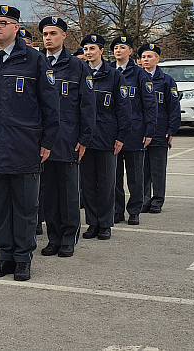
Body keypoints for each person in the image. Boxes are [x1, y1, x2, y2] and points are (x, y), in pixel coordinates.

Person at [0, 5, 60, 282]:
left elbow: (51, 105)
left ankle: (22, 258)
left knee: (25, 208)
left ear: (16, 28)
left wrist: (47, 141)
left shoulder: (34, 60)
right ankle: (4, 256)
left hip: (24, 145)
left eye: (3, 23)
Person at [38, 17, 95, 258]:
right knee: (49, 193)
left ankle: (69, 238)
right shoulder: (37, 63)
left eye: (53, 33)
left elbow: (88, 105)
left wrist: (84, 138)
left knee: (69, 193)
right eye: (45, 34)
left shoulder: (77, 66)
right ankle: (54, 237)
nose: (48, 38)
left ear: (63, 36)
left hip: (68, 139)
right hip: (43, 141)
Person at [80, 34, 131, 241]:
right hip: (85, 138)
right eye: (86, 49)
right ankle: (92, 222)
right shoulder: (81, 73)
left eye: (92, 48)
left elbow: (124, 108)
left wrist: (121, 136)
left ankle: (105, 223)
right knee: (88, 184)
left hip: (107, 137)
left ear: (101, 51)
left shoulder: (114, 76)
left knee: (106, 183)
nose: (88, 52)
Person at [111, 36, 157, 226]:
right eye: (115, 47)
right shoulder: (109, 71)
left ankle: (134, 210)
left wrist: (150, 130)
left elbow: (150, 104)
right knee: (114, 176)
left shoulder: (140, 74)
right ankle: (117, 210)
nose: (118, 50)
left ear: (130, 51)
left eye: (122, 47)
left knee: (135, 176)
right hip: (112, 132)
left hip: (135, 131)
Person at [139, 43, 180, 213]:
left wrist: (171, 129)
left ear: (157, 59)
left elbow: (174, 107)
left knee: (157, 169)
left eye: (149, 56)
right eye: (143, 57)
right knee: (142, 169)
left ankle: (157, 200)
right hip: (140, 131)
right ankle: (144, 199)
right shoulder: (136, 78)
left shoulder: (166, 81)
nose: (146, 60)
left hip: (159, 130)